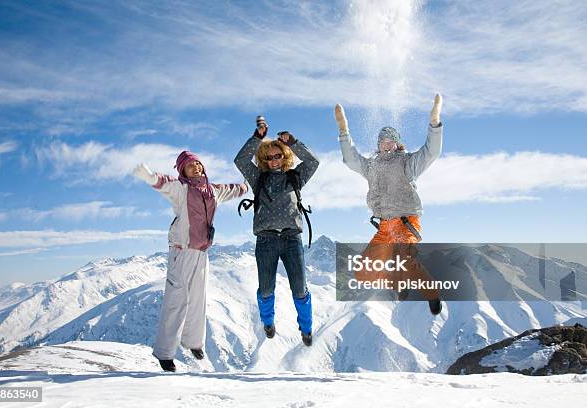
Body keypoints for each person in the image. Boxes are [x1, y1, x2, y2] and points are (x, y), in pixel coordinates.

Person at [133, 151, 248, 372]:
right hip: (182, 251)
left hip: (201, 252)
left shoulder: (212, 190)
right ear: (182, 171)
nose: (196, 167)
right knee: (177, 300)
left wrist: (246, 184)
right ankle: (165, 353)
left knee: (198, 298)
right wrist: (148, 176)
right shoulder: (180, 189)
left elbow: (233, 190)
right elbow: (163, 183)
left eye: (198, 164)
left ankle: (194, 342)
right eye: (190, 166)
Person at [334, 94, 444, 315]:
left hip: (406, 223)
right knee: (363, 273)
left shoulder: (407, 163)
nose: (387, 145)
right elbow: (351, 159)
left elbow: (431, 152)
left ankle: (433, 295)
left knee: (407, 261)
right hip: (385, 228)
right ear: (378, 144)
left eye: (391, 141)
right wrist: (343, 131)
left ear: (397, 143)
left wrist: (434, 124)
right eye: (383, 141)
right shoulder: (372, 166)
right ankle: (397, 282)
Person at [234, 116, 319, 346]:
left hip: (292, 238)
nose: (273, 160)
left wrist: (293, 142)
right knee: (266, 289)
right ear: (263, 158)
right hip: (266, 240)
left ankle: (307, 328)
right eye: (268, 157)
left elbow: (312, 161)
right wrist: (257, 138)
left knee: (300, 289)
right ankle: (268, 322)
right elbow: (240, 160)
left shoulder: (295, 177)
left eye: (278, 155)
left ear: (284, 156)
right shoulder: (258, 178)